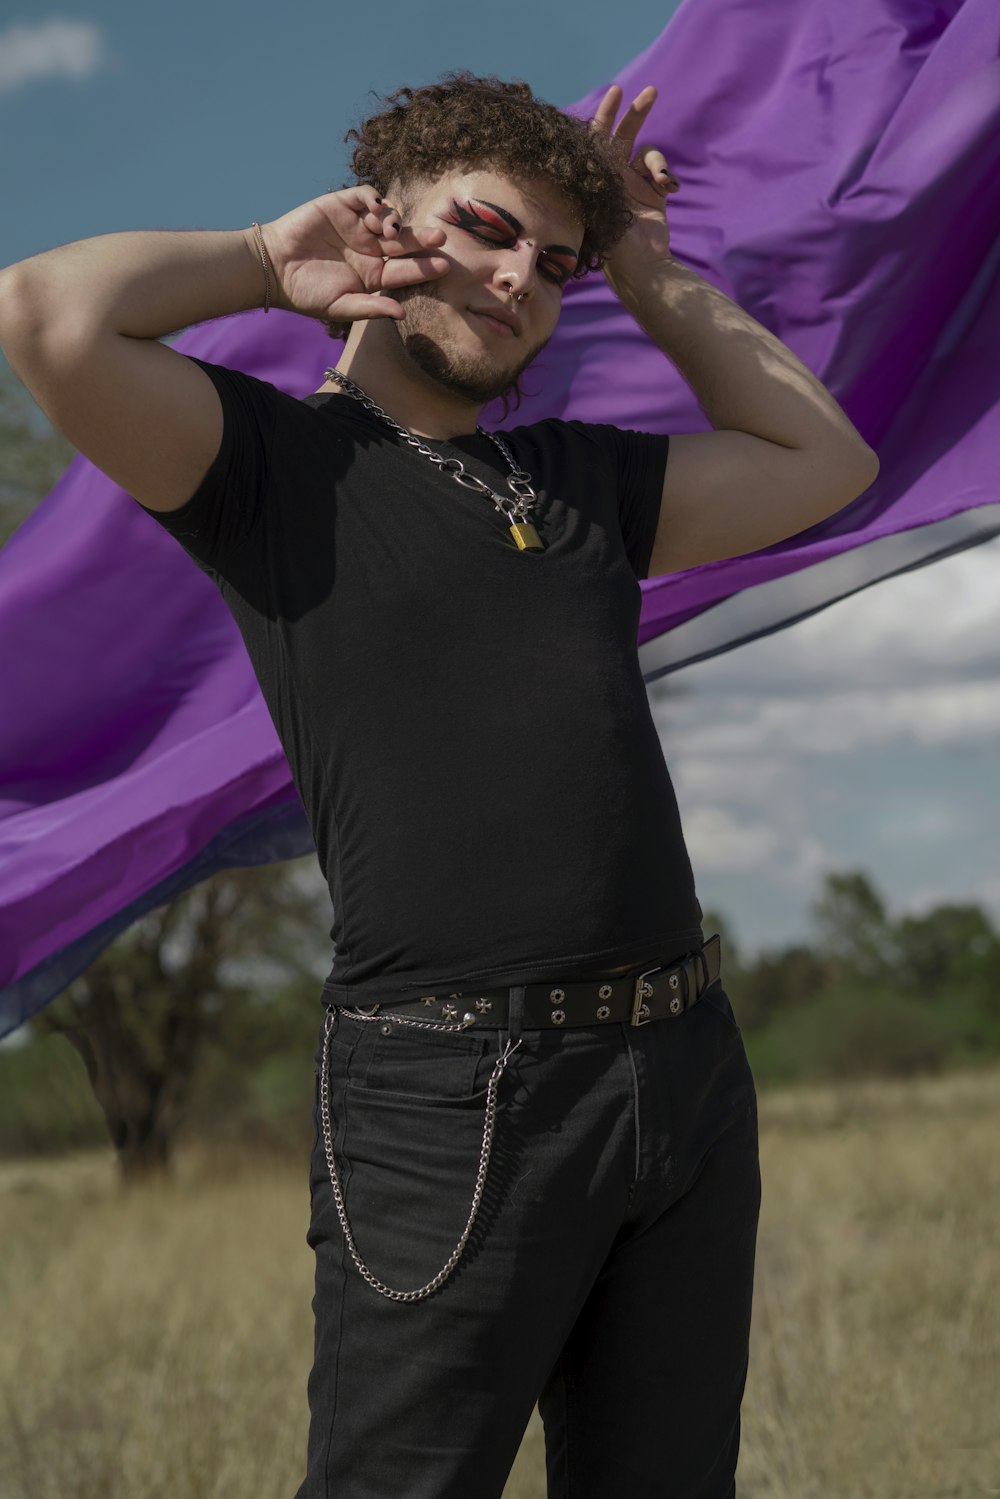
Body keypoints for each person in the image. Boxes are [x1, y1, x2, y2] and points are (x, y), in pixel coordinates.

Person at [0, 71, 877, 1499]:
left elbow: (820, 461)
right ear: (388, 215)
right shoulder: (275, 470)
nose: (520, 276)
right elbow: (41, 312)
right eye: (486, 227)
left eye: (555, 262)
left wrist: (646, 272)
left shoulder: (578, 481)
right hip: (453, 1094)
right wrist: (260, 267)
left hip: (683, 1074)